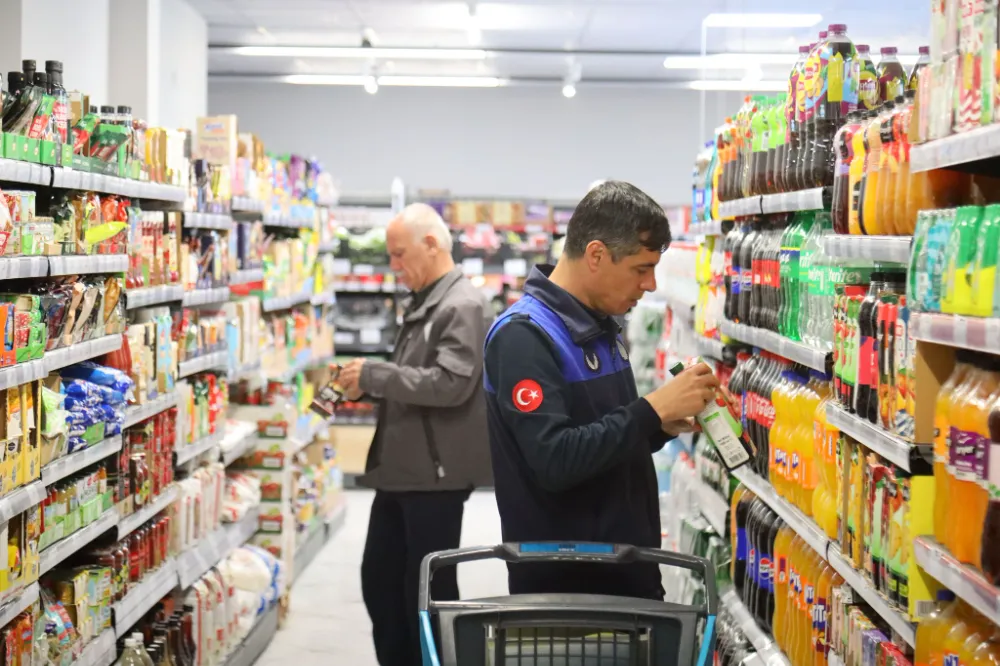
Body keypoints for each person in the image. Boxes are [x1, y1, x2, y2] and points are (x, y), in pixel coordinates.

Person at [483, 180, 720, 600]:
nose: (649, 284)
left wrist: (663, 423)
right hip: (569, 590)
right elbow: (555, 460)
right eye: (640, 268)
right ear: (596, 254)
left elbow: (603, 442)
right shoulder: (524, 337)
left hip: (623, 572)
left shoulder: (600, 327)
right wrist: (649, 410)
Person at [337, 203, 494, 666]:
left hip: (434, 477)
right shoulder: (428, 300)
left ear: (432, 244)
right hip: (403, 470)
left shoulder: (462, 304)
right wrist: (364, 386)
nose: (394, 266)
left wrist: (376, 377)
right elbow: (416, 379)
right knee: (382, 583)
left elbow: (451, 384)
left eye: (399, 254)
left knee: (426, 596)